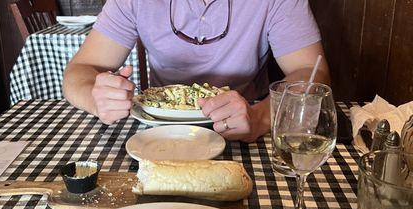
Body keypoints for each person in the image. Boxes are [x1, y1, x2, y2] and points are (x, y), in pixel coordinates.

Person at [63, 0, 330, 143]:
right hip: (156, 132)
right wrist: (96, 96)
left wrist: (258, 118)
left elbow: (310, 72)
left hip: (243, 133)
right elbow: (80, 71)